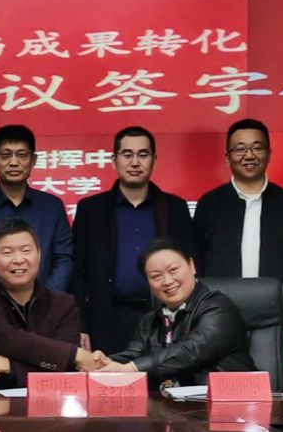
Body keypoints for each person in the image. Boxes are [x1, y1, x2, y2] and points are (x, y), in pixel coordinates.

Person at [193, 118, 283, 365]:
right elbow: (195, 264)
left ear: (269, 154)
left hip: (275, 320)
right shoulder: (210, 204)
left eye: (257, 147)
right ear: (227, 157)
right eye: (240, 149)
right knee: (221, 386)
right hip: (218, 319)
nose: (249, 155)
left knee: (274, 386)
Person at [72, 126, 195, 354]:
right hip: (106, 320)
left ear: (154, 160)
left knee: (163, 375)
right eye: (127, 155)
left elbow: (190, 267)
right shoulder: (91, 209)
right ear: (114, 160)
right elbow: (78, 272)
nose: (135, 162)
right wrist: (81, 326)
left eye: (143, 155)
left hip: (164, 317)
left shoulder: (175, 208)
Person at [0, 218, 103, 387]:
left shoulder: (63, 303)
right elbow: (5, 339)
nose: (18, 259)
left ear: (39, 255)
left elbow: (67, 370)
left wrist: (7, 366)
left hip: (53, 397)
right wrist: (74, 355)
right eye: (7, 253)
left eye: (26, 251)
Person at [95, 239, 254, 386]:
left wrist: (132, 368)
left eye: (173, 270)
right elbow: (134, 355)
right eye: (156, 276)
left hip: (229, 399)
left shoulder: (219, 307)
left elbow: (191, 350)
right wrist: (105, 363)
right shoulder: (150, 320)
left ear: (191, 266)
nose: (167, 281)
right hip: (175, 403)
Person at [0, 124, 73, 291]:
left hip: (45, 303)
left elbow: (64, 259)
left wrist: (46, 299)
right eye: (6, 155)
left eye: (22, 155)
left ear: (33, 160)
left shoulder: (52, 207)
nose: (14, 163)